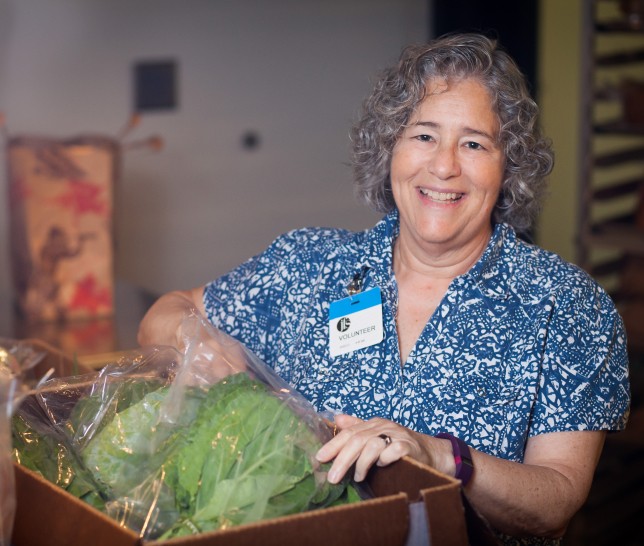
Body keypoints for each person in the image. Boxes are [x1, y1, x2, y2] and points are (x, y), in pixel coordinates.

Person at [138, 33, 630, 544]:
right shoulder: (309, 263)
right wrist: (194, 342)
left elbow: (557, 498)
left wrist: (440, 456)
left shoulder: (567, 304)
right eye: (423, 136)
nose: (444, 166)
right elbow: (167, 312)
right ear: (389, 148)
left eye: (474, 143)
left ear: (508, 167)